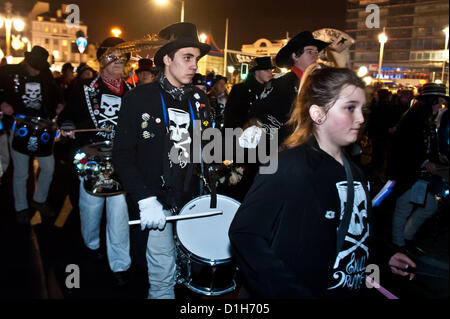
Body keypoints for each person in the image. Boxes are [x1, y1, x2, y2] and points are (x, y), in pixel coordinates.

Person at [229, 65, 416, 299]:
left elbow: (352, 230)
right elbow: (246, 233)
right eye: (350, 108)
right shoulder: (290, 166)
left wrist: (384, 255)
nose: (360, 118)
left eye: (362, 109)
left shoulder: (355, 171)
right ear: (318, 113)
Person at [112, 22, 214, 299]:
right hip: (157, 201)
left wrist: (237, 142)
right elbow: (121, 154)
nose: (194, 65)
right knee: (162, 278)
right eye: (187, 57)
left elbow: (206, 147)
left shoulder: (199, 98)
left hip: (192, 200)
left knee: (193, 274)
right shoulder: (138, 99)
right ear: (167, 59)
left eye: (196, 58)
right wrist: (144, 200)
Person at [59, 37, 132, 286]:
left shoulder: (132, 93)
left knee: (119, 211)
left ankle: (120, 263)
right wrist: (67, 126)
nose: (118, 60)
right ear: (101, 60)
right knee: (90, 209)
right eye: (112, 56)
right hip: (91, 159)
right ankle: (91, 246)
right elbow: (67, 116)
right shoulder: (83, 88)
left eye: (122, 56)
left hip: (119, 161)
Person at [0, 46, 60, 224]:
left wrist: (58, 106)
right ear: (26, 62)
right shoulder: (9, 72)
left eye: (38, 67)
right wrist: (2, 102)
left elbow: (56, 95)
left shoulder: (46, 74)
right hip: (20, 125)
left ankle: (39, 199)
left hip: (43, 126)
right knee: (21, 171)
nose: (35, 70)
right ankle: (21, 207)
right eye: (33, 66)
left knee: (48, 167)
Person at [390, 83, 449, 255]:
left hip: (422, 176)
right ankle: (398, 244)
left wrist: (437, 158)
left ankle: (406, 237)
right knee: (403, 209)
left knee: (429, 206)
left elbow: (427, 147)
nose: (441, 106)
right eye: (439, 102)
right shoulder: (411, 121)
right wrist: (423, 162)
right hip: (408, 175)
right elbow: (405, 149)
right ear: (430, 101)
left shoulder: (427, 121)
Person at [246, 31, 330, 145]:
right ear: (295, 56)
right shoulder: (281, 83)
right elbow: (261, 117)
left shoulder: (317, 84)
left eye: (316, 52)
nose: (315, 55)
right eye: (310, 51)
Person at [224, 56, 274, 130]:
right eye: (266, 70)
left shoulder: (270, 91)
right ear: (256, 72)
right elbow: (230, 116)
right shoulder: (239, 89)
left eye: (271, 70)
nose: (270, 73)